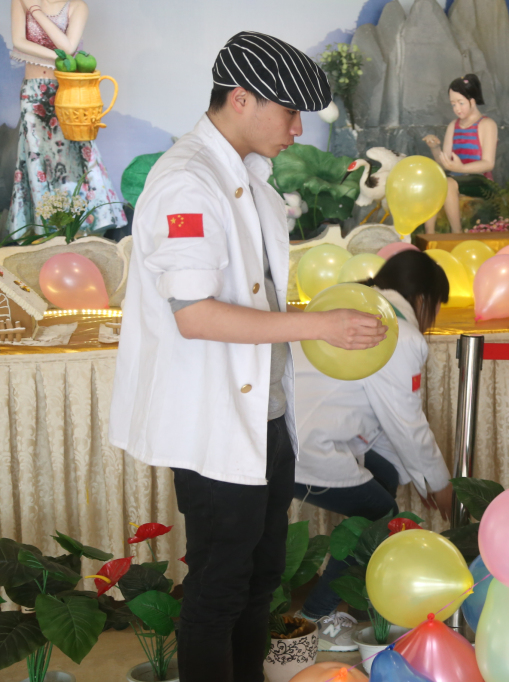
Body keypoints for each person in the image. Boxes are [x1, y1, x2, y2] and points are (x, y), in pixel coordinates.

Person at [109, 31, 388, 682]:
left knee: (260, 579)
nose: (298, 130)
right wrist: (319, 325)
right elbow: (196, 315)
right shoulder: (187, 183)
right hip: (213, 422)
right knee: (220, 585)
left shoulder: (251, 182)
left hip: (265, 416)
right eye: (289, 113)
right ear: (241, 98)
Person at [290, 250, 455, 651]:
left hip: (283, 442)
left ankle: (361, 600)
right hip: (312, 450)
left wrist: (420, 480)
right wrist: (440, 485)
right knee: (380, 516)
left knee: (384, 478)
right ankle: (315, 617)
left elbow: (382, 422)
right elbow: (406, 424)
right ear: (422, 299)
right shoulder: (397, 334)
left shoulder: (351, 310)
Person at [6, 0, 126, 238]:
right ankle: (44, 230)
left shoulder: (77, 6)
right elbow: (19, 42)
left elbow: (68, 46)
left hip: (67, 91)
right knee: (36, 156)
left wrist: (36, 11)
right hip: (33, 91)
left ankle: (80, 228)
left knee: (75, 154)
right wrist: (59, 56)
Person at [422, 73, 498, 234]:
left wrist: (461, 168)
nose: (457, 108)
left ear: (472, 100)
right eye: (453, 104)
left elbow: (488, 163)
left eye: (461, 103)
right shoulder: (453, 125)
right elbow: (445, 164)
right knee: (434, 180)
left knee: (448, 183)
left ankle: (457, 233)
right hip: (456, 179)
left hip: (480, 181)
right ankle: (429, 234)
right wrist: (435, 148)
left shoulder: (487, 124)